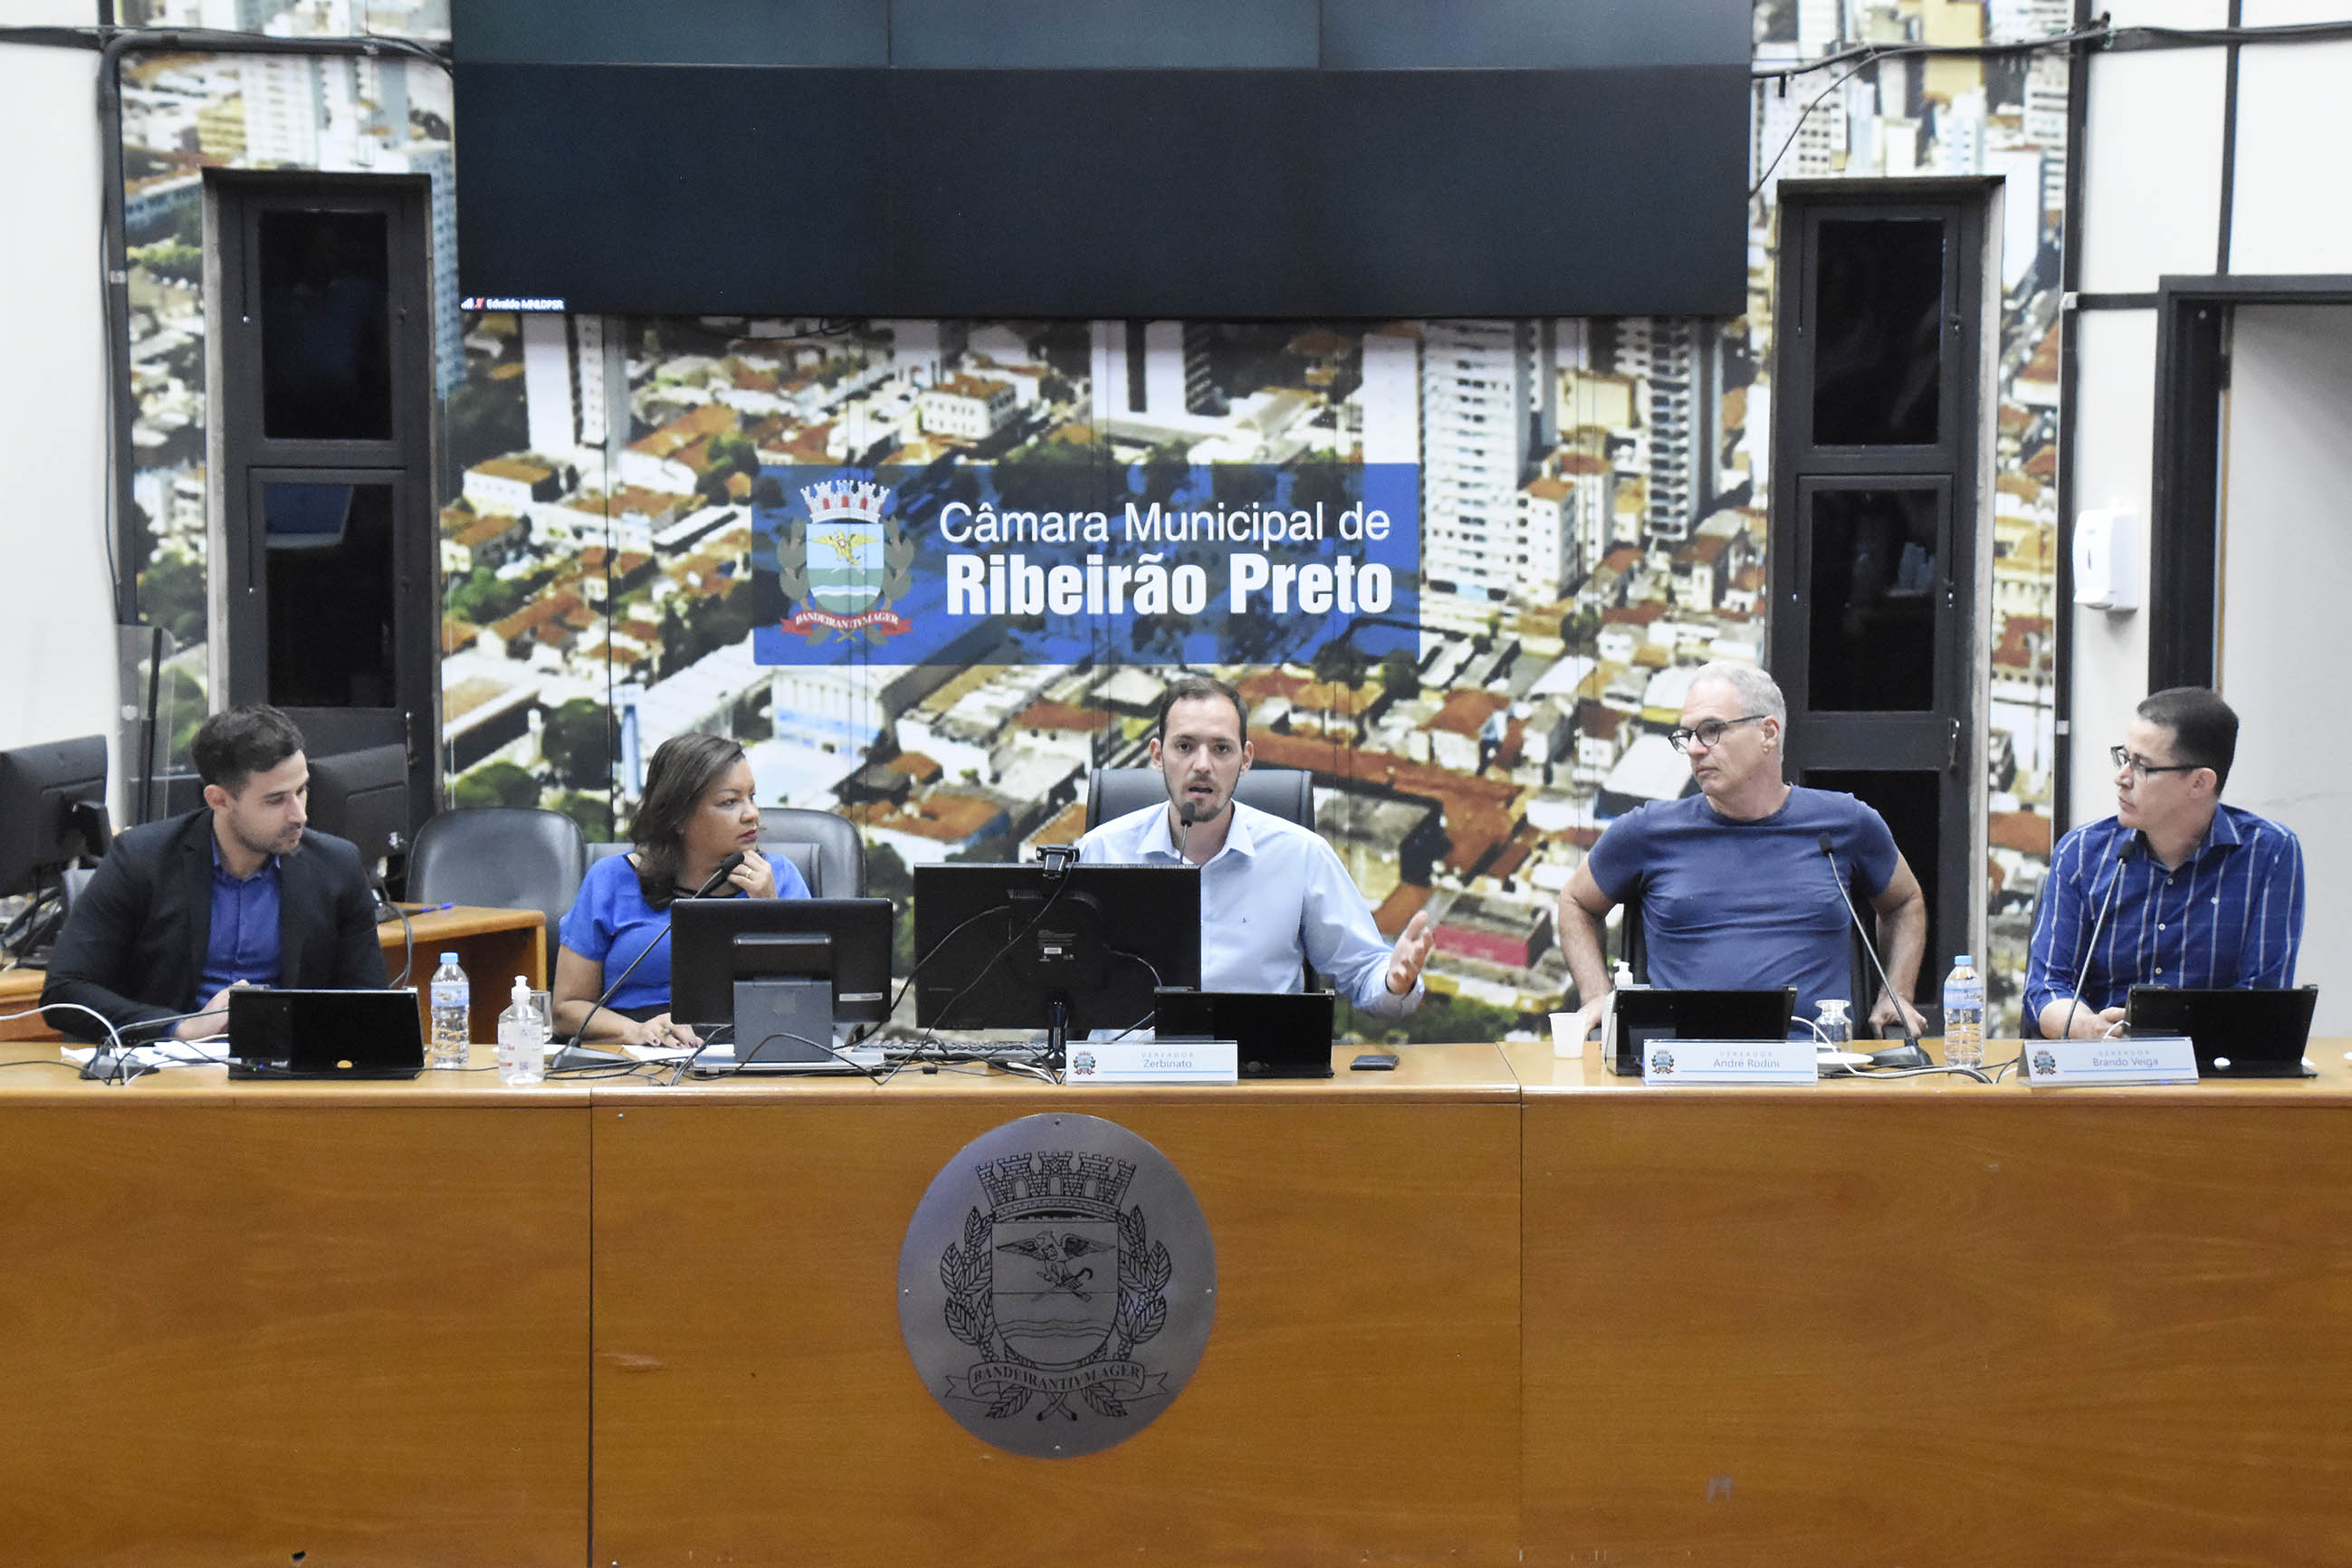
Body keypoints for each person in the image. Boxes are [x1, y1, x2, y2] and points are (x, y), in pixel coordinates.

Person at [1554, 662, 1927, 1040]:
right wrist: (1597, 996)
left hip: (1817, 1074)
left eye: (1711, 731)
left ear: (1768, 732)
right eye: (1688, 736)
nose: (1695, 750)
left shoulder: (1846, 824)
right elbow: (1576, 902)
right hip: (1684, 1073)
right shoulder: (1647, 831)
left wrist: (1896, 994)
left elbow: (1904, 901)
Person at [1076, 674, 1433, 1018]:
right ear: (1157, 755)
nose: (1202, 765)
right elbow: (1059, 982)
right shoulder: (1101, 851)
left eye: (1221, 749)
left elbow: (1364, 970)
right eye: (1185, 746)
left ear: (1245, 760)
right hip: (1127, 1073)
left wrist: (1394, 981)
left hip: (1260, 1070)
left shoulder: (1301, 855)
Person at [41, 704, 386, 1043]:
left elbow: (371, 1004)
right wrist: (177, 1026)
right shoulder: (141, 859)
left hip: (288, 1073)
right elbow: (65, 992)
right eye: (276, 799)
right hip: (169, 1077)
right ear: (218, 799)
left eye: (302, 791)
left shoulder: (336, 865)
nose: (299, 815)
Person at [2026, 686, 2303, 1039]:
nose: (2122, 777)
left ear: (2200, 782)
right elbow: (2047, 986)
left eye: (2142, 766)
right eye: (2123, 758)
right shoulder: (2081, 853)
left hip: (2215, 1073)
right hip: (2100, 1068)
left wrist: (2167, 1037)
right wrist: (2090, 1028)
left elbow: (2264, 1000)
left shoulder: (2269, 853)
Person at [553, 732, 808, 1049]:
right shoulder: (611, 879)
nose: (751, 813)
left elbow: (806, 1003)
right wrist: (636, 1031)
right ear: (678, 817)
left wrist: (768, 910)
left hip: (749, 1049)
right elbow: (567, 1010)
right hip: (636, 1054)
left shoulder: (780, 878)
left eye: (752, 797)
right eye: (730, 801)